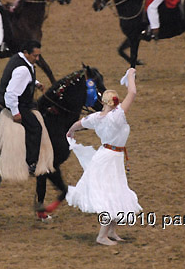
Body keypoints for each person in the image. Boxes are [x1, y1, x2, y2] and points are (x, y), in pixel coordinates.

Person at [66, 68, 142, 246]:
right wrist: (130, 75)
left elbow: (79, 124)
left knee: (117, 192)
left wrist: (70, 131)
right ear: (116, 103)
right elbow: (133, 92)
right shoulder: (117, 116)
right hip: (110, 159)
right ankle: (102, 236)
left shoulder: (96, 118)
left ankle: (112, 231)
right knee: (112, 194)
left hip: (107, 156)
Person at [0, 40, 44, 176]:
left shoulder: (19, 59)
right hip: (13, 102)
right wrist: (16, 112)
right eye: (35, 56)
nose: (37, 59)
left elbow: (20, 78)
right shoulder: (23, 70)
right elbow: (11, 94)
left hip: (2, 97)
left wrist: (36, 83)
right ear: (26, 53)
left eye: (39, 55)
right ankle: (31, 163)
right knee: (35, 128)